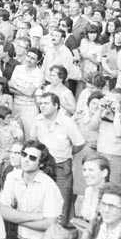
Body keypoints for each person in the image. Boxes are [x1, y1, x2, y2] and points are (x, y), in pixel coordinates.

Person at [0, 140, 63, 239]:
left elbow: (50, 224)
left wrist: (15, 218)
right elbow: (2, 211)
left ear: (41, 164)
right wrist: (38, 216)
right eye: (24, 154)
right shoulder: (11, 177)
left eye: (32, 158)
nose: (26, 159)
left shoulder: (49, 186)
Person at [30, 92, 85, 224]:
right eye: (41, 103)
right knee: (41, 197)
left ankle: (61, 228)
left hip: (61, 166)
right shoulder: (37, 120)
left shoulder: (67, 122)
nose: (42, 106)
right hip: (42, 166)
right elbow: (33, 139)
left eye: (46, 103)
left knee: (62, 200)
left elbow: (80, 143)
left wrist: (67, 152)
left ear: (56, 105)